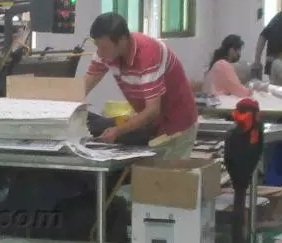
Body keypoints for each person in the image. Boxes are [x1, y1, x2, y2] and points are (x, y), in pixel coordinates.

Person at [81, 11, 198, 153]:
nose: (99, 53)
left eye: (104, 47)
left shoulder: (148, 54)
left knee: (168, 167)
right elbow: (84, 86)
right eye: (97, 46)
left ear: (122, 40)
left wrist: (118, 130)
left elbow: (152, 110)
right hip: (152, 125)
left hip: (178, 125)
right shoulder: (105, 52)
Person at [203, 34, 249, 98]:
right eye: (239, 50)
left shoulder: (218, 63)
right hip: (217, 102)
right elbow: (240, 91)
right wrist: (252, 90)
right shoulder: (223, 65)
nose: (239, 54)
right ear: (232, 50)